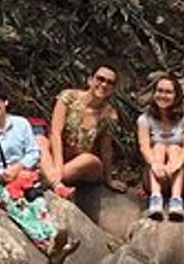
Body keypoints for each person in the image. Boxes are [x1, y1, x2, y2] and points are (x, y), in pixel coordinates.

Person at [0, 82, 80, 264]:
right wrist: (1, 174)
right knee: (18, 207)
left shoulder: (21, 124)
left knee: (38, 203)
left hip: (24, 177)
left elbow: (33, 152)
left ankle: (54, 241)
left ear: (5, 102)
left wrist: (20, 167)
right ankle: (49, 245)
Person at [49, 64, 129, 193]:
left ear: (113, 88)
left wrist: (109, 179)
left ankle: (49, 178)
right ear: (90, 80)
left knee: (90, 160)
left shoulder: (109, 115)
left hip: (82, 163)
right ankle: (57, 181)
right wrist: (58, 165)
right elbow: (55, 132)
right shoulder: (68, 97)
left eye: (110, 82)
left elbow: (106, 148)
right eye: (100, 79)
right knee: (40, 140)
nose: (104, 85)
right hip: (59, 157)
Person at [137, 72, 184, 221]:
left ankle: (176, 200)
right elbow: (144, 146)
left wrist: (177, 163)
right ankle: (156, 199)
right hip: (157, 175)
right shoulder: (144, 119)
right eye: (160, 91)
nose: (163, 95)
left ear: (176, 95)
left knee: (174, 148)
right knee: (158, 147)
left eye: (168, 92)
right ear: (154, 94)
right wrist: (154, 164)